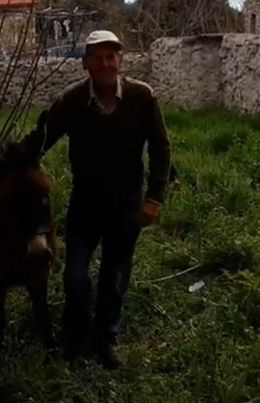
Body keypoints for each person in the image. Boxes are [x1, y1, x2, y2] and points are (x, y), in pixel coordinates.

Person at [19, 29, 172, 369]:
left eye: (111, 56)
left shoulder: (142, 98)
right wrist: (11, 162)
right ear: (85, 63)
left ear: (120, 61)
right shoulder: (71, 101)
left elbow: (161, 149)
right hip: (86, 202)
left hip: (127, 203)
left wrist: (154, 199)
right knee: (75, 276)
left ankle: (105, 340)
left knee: (114, 277)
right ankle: (76, 340)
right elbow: (41, 141)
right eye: (98, 57)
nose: (106, 63)